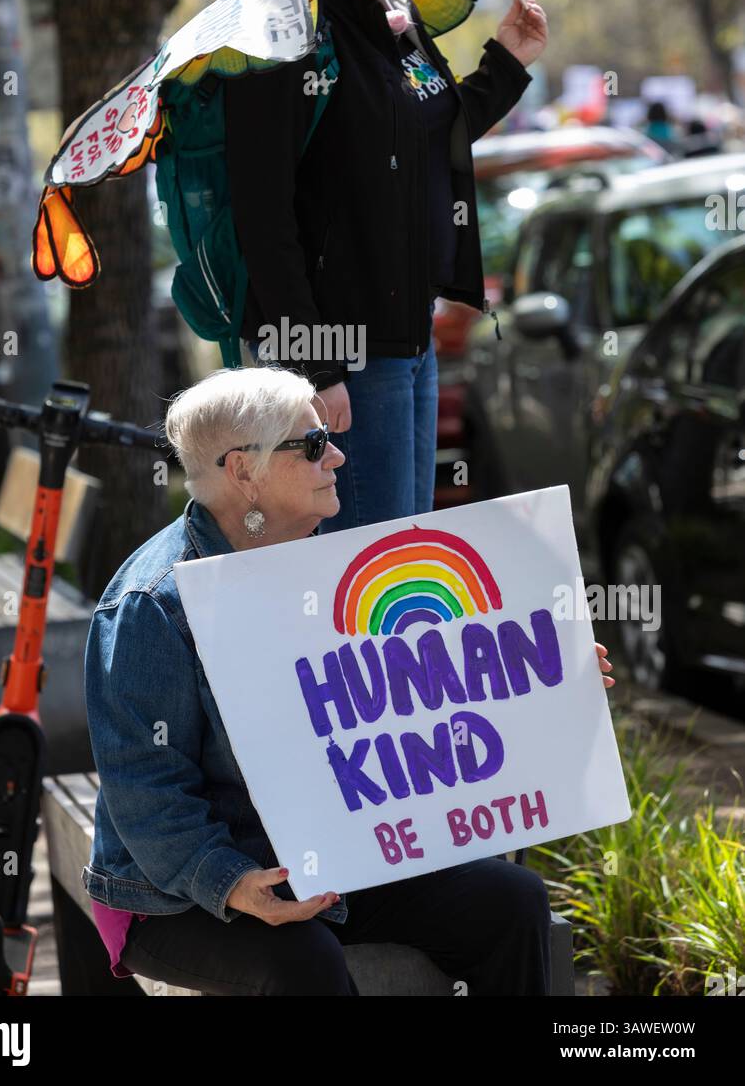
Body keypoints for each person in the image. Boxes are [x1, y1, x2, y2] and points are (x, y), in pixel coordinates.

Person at [83, 365, 615, 996]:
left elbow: (423, 693)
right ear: (243, 471)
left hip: (330, 858)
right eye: (310, 445)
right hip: (175, 892)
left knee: (511, 901)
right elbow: (146, 788)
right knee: (301, 962)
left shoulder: (332, 562)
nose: (336, 454)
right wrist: (227, 881)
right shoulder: (153, 604)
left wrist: (552, 682)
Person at [222, 0, 548, 533]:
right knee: (365, 586)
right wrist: (315, 364)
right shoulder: (282, 20)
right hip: (339, 358)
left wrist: (508, 60)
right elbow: (262, 212)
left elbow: (434, 131)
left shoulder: (392, 5)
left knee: (405, 560)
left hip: (408, 337)